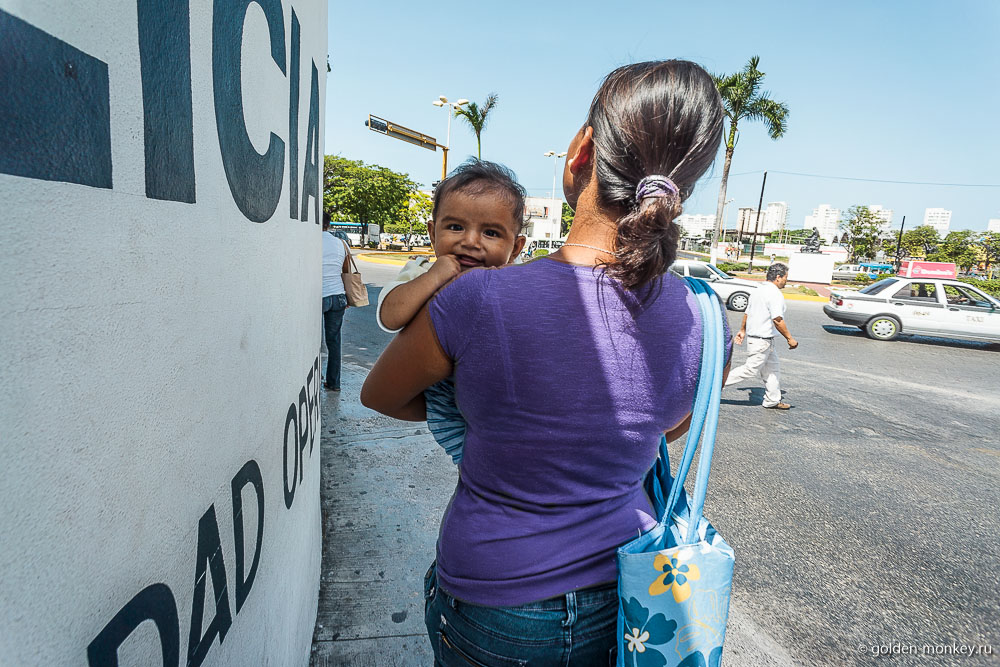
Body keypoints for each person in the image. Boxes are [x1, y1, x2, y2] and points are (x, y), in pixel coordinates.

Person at [361, 60, 728, 664]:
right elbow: (668, 429)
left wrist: (487, 419)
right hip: (630, 596)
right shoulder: (705, 319)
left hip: (494, 599)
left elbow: (381, 394)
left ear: (580, 151)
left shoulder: (473, 300)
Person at [375, 160, 527, 463]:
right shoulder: (422, 270)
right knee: (479, 466)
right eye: (455, 227)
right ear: (433, 233)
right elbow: (390, 316)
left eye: (491, 233)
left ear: (517, 247)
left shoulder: (516, 279)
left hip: (503, 401)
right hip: (447, 400)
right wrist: (434, 278)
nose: (470, 242)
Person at [725, 262, 797, 409]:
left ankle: (772, 400)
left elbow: (748, 312)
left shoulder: (758, 290)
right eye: (785, 278)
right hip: (761, 340)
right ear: (778, 277)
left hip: (764, 340)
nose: (786, 281)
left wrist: (742, 329)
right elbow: (777, 319)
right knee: (749, 370)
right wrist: (790, 338)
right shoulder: (774, 294)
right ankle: (714, 384)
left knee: (772, 370)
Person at [322, 213, 350, 391]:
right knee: (334, 342)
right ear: (329, 224)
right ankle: (334, 383)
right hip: (338, 295)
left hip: (318, 295)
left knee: (309, 342)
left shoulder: (308, 240)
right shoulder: (341, 243)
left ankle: (313, 376)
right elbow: (346, 271)